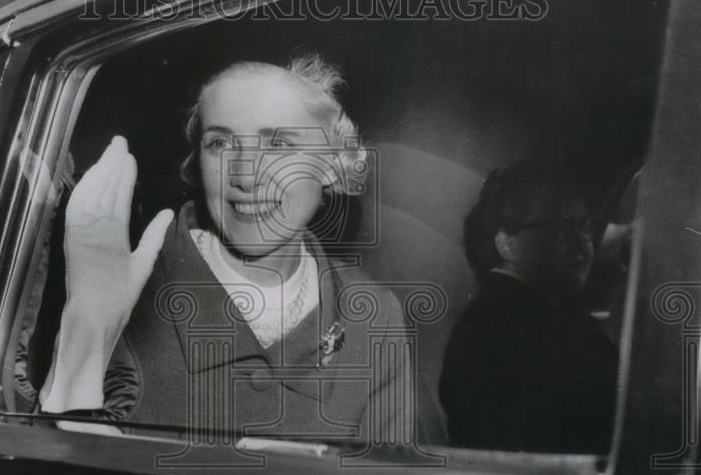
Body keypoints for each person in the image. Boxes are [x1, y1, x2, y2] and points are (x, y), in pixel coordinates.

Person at [39, 55, 419, 447]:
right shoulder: (132, 291)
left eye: (278, 143)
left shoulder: (374, 312)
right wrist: (85, 329)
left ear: (330, 162)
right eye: (220, 143)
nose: (244, 174)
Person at [439, 162, 619, 454]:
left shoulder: (504, 316)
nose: (583, 244)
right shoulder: (514, 329)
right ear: (506, 243)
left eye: (585, 227)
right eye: (563, 228)